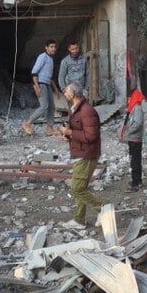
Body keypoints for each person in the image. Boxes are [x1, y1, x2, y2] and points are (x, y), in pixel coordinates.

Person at [59, 82, 103, 230]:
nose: (64, 94)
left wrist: (70, 133)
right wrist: (68, 136)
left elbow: (91, 136)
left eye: (66, 92)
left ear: (72, 94)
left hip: (87, 154)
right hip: (80, 152)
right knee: (80, 187)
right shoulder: (75, 109)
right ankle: (79, 220)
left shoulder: (86, 111)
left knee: (77, 188)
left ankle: (103, 210)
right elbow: (79, 131)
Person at [23, 40, 59, 137]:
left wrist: (55, 89)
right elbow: (34, 72)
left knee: (52, 107)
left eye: (54, 47)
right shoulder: (42, 57)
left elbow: (50, 77)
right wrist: (37, 87)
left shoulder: (51, 59)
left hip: (47, 84)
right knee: (44, 106)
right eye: (51, 47)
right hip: (41, 84)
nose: (53, 49)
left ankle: (49, 129)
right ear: (46, 47)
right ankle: (27, 123)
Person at [121, 88, 145, 191]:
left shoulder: (137, 108)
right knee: (135, 160)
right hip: (133, 138)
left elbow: (138, 123)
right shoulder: (134, 108)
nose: (127, 100)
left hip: (135, 138)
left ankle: (135, 183)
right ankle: (138, 180)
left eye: (129, 98)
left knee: (134, 161)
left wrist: (129, 131)